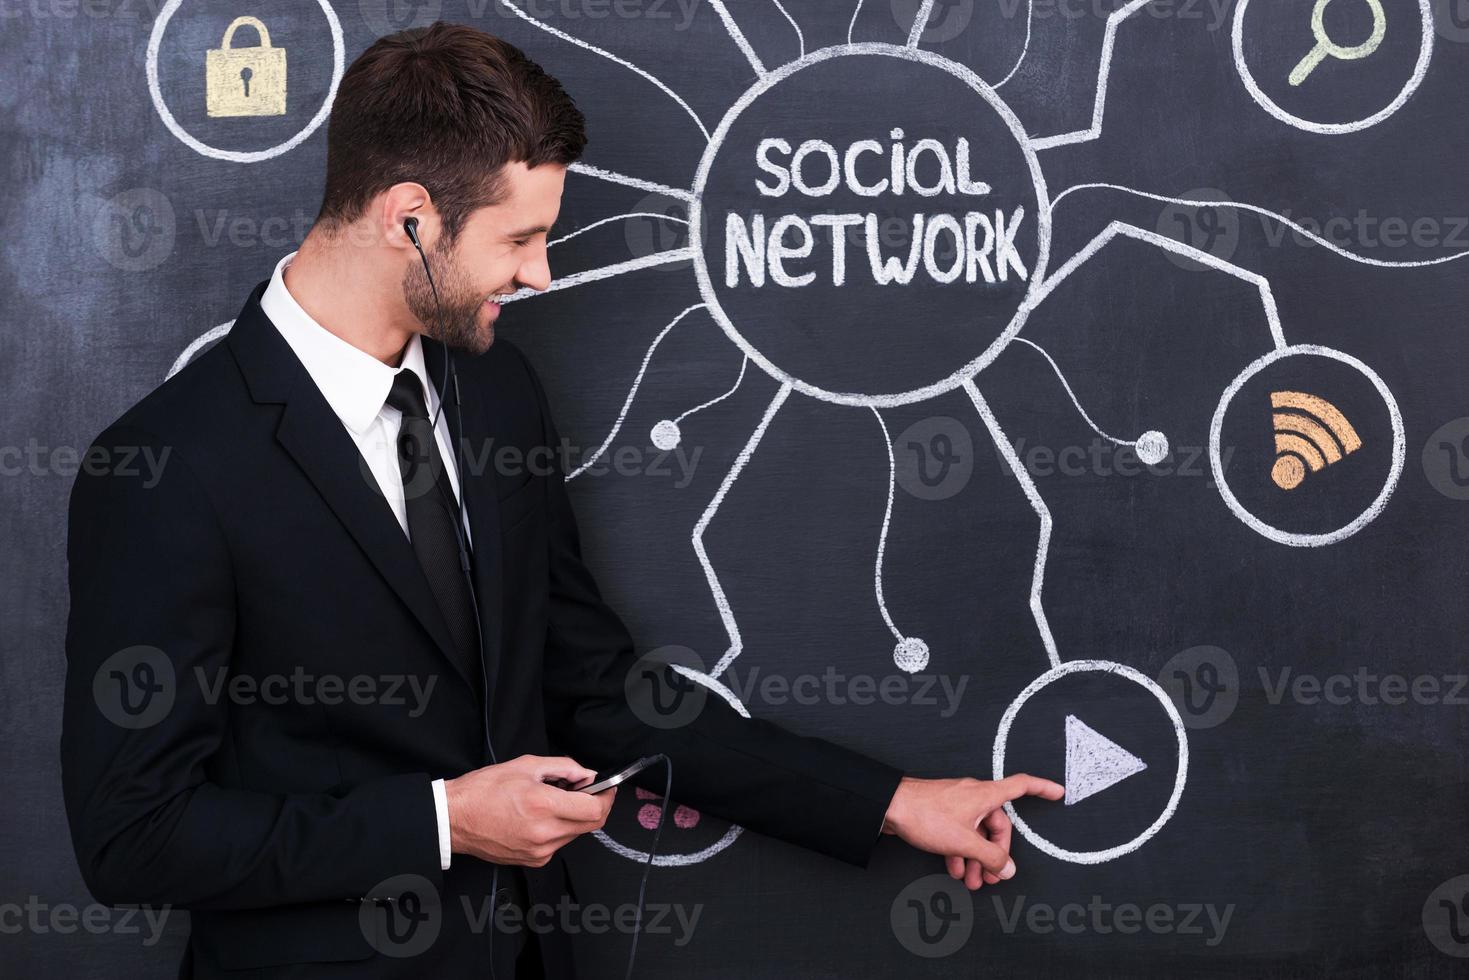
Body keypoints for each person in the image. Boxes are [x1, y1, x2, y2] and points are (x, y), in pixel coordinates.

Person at [60, 22, 1064, 979]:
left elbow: (597, 692)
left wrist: (889, 799)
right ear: (407, 216)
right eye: (521, 238)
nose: (539, 274)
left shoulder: (495, 394)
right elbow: (134, 834)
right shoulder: (166, 466)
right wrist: (443, 820)